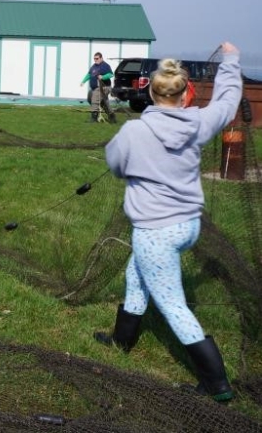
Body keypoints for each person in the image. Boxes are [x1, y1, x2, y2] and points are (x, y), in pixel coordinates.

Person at [95, 42, 242, 402]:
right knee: (136, 274)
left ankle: (216, 383)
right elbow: (225, 104)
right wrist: (231, 61)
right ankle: (123, 339)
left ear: (149, 91)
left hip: (155, 231)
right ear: (185, 92)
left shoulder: (132, 133)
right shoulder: (199, 122)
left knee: (173, 305)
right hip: (188, 226)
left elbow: (115, 165)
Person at [80, 52, 116, 123]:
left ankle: (94, 118)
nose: (95, 60)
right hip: (95, 88)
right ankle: (112, 116)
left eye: (97, 58)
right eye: (94, 59)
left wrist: (103, 77)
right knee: (103, 102)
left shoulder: (105, 66)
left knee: (95, 99)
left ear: (101, 58)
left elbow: (111, 74)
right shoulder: (94, 66)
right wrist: (83, 81)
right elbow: (89, 74)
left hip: (104, 87)